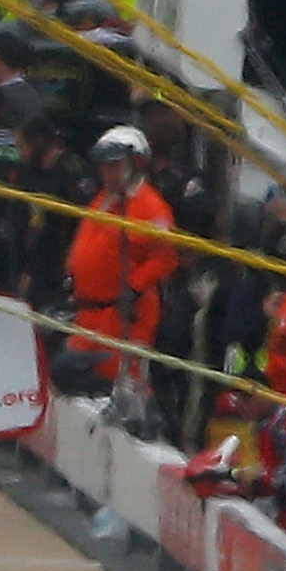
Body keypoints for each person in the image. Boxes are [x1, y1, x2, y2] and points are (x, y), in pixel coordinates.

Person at [63, 124, 179, 395]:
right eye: (103, 165)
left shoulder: (151, 207)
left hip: (124, 316)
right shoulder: (102, 199)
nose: (106, 172)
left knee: (123, 388)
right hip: (88, 314)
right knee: (73, 379)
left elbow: (166, 259)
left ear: (136, 164)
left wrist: (134, 287)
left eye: (113, 165)